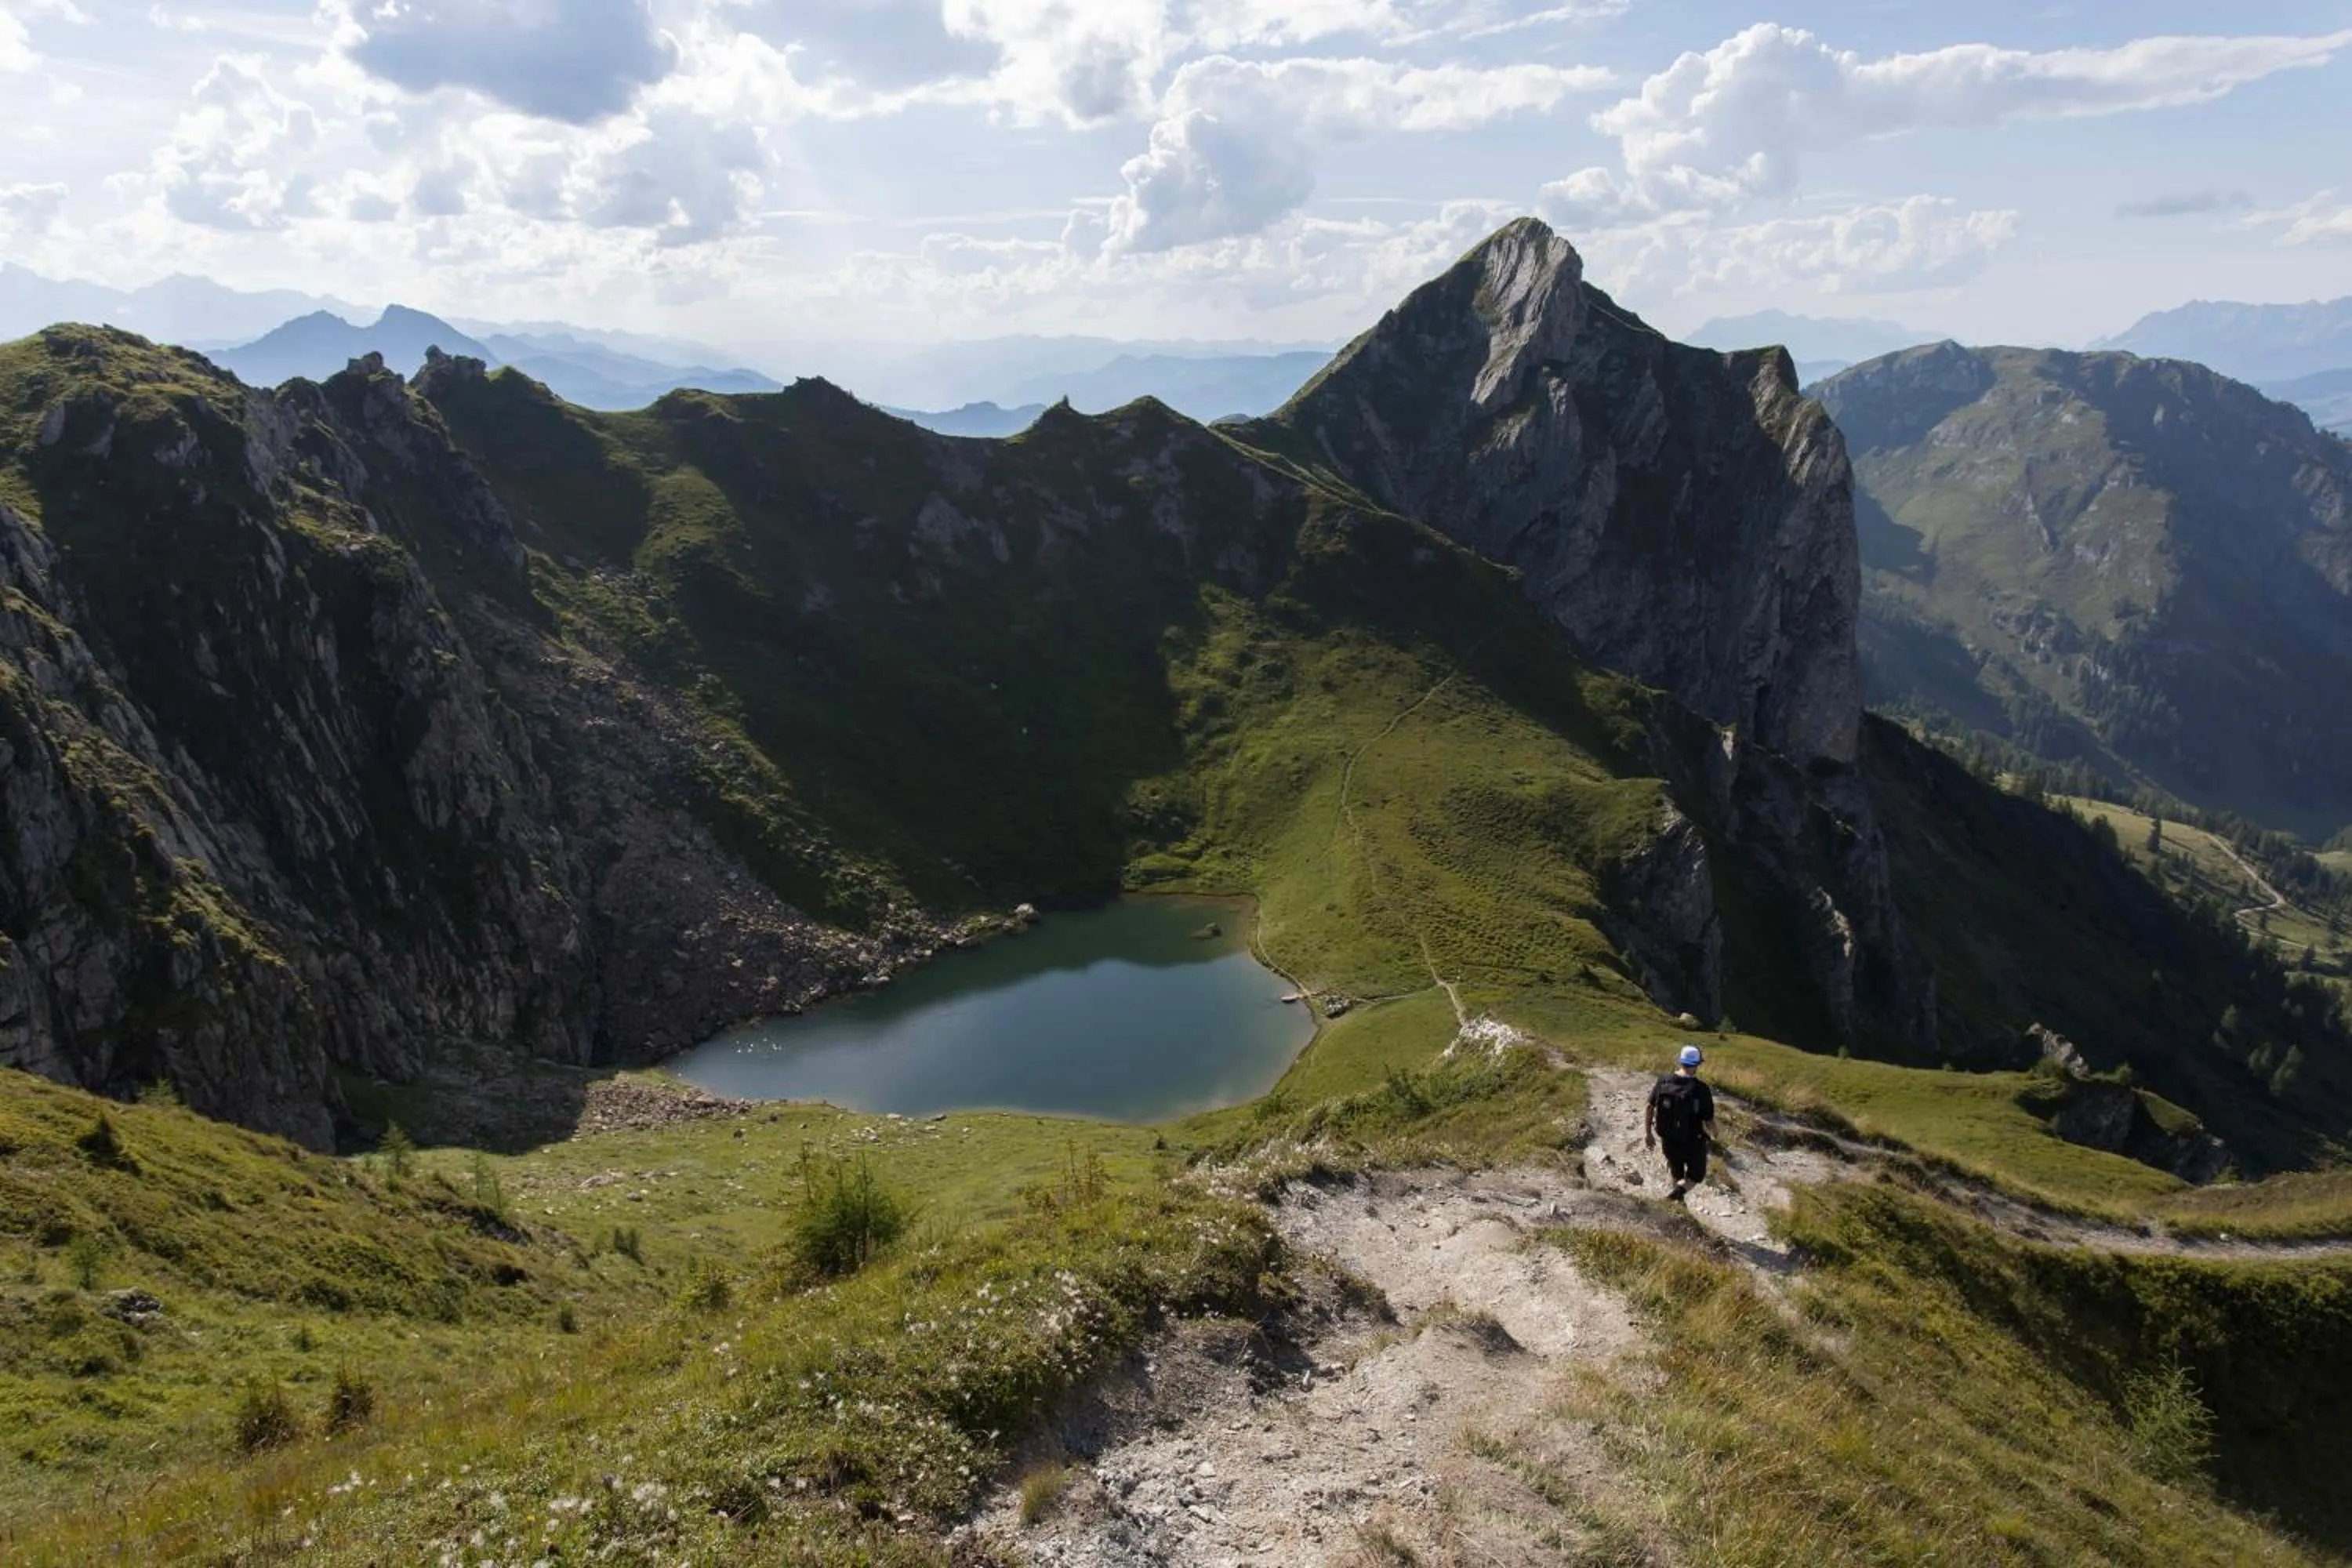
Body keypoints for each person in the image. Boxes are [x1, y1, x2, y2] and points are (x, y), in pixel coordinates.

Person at [1644, 1044, 1717, 1203]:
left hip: (1668, 1138)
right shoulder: (1701, 1089)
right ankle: (1676, 1195)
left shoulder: (1664, 1080)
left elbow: (1650, 1106)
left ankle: (1677, 1203)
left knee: (1676, 1173)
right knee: (1696, 1176)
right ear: (1696, 1064)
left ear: (1680, 1061)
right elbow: (1709, 1119)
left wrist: (1648, 1134)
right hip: (1693, 1141)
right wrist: (1715, 1134)